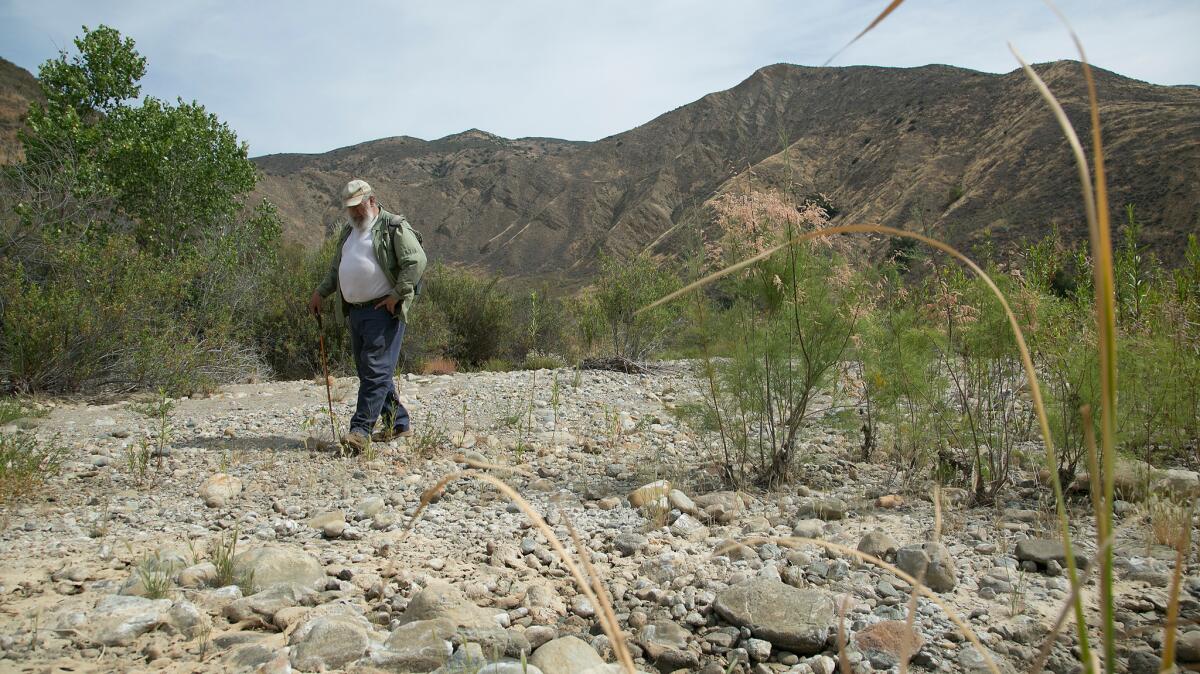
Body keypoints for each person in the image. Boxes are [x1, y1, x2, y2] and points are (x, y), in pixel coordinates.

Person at [308, 179, 427, 452]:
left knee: (374, 369)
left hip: (382, 312)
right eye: (350, 208)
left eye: (358, 207)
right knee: (370, 371)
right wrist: (320, 293)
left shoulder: (392, 226)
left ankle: (360, 431)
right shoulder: (349, 234)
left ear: (371, 200)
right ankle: (398, 423)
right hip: (356, 312)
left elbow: (416, 261)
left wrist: (397, 295)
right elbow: (336, 268)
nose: (354, 213)